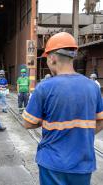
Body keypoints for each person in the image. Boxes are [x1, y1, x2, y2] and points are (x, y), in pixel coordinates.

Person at [21, 32, 103, 185]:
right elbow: (100, 121)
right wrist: (80, 135)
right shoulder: (93, 87)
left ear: (52, 58)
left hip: (53, 164)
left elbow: (27, 123)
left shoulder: (44, 88)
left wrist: (48, 121)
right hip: (83, 165)